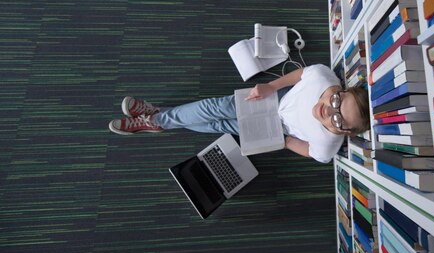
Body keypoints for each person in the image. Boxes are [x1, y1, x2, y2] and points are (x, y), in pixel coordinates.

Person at [108, 64, 370, 163]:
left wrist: (277, 139)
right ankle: (156, 120)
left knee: (216, 124)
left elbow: (296, 145)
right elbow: (301, 74)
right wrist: (271, 85)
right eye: (337, 99)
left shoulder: (327, 148)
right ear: (341, 90)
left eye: (337, 118)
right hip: (275, 99)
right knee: (213, 108)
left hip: (277, 129)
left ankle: (158, 117)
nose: (327, 109)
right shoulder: (324, 76)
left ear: (345, 131)